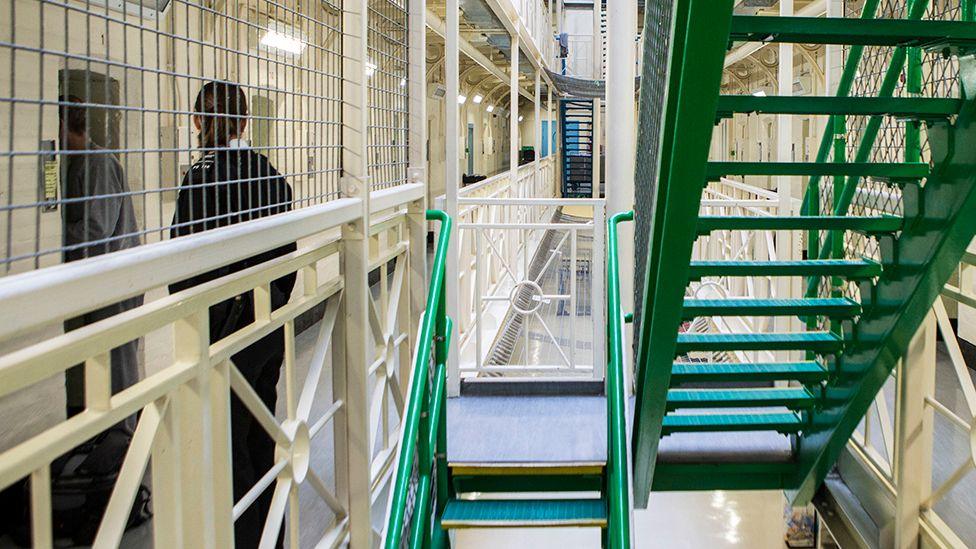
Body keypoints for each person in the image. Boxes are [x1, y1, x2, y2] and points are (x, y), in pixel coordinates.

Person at [168, 81, 296, 549]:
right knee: (261, 436)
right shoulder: (269, 175)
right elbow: (289, 255)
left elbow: (183, 270)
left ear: (198, 122)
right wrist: (273, 306)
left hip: (222, 338)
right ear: (245, 122)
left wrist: (205, 327)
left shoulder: (198, 181)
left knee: (227, 448)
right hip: (265, 331)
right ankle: (272, 538)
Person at [59, 95, 143, 429]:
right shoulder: (79, 164)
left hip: (115, 288)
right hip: (95, 284)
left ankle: (124, 447)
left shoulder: (99, 164)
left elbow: (97, 228)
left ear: (66, 126)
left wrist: (55, 241)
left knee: (118, 374)